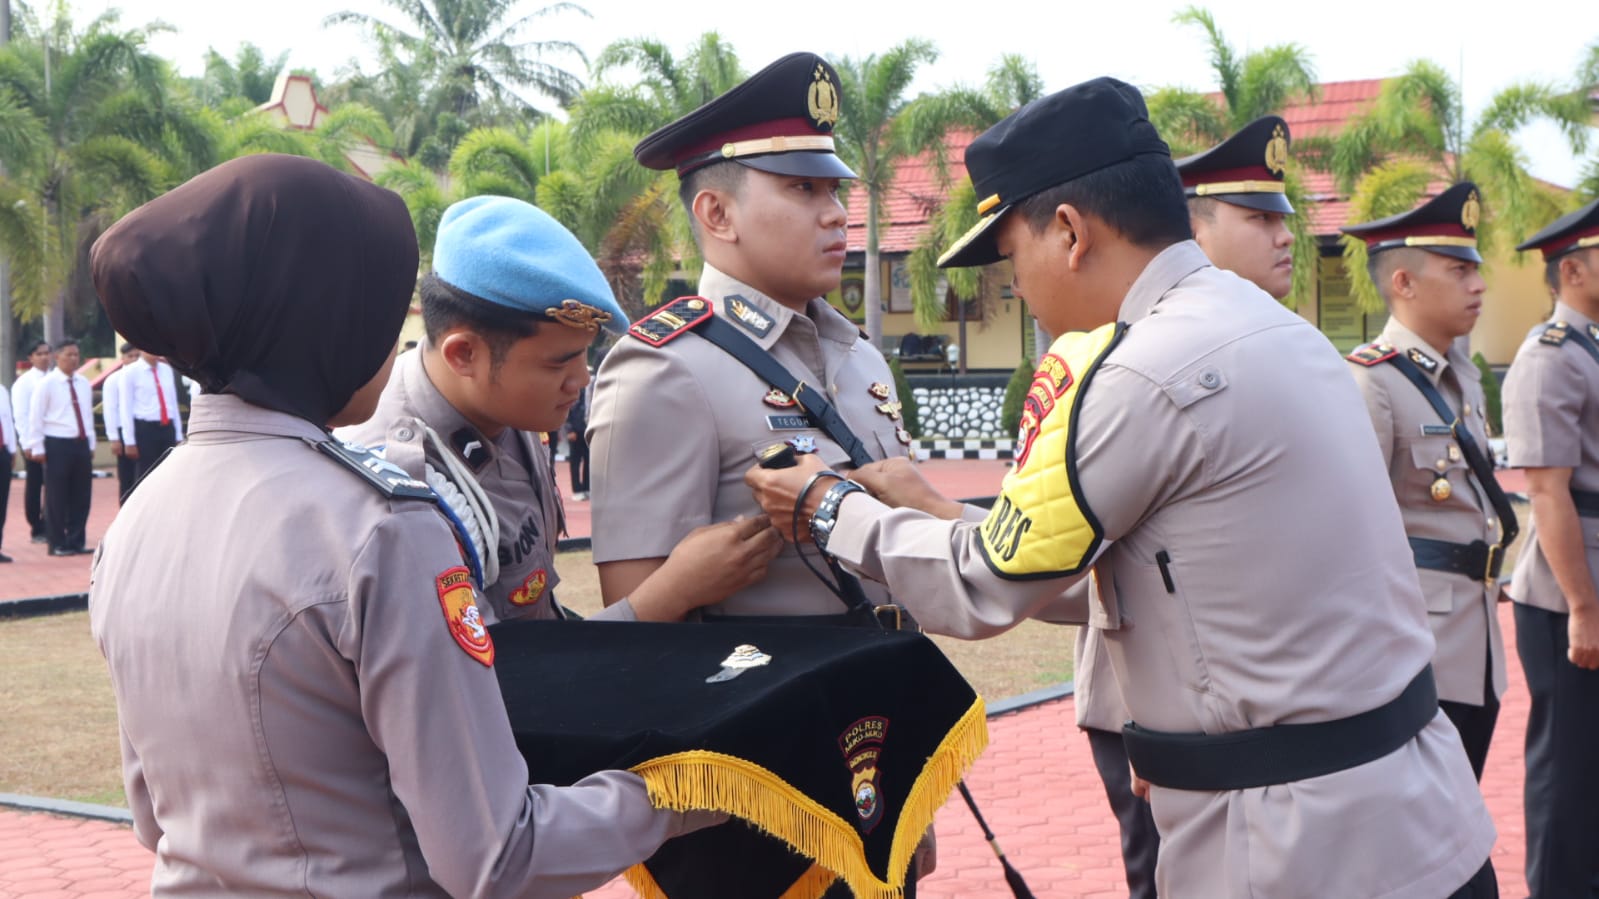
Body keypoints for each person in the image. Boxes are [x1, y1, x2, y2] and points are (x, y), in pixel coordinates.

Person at [746, 77, 1497, 898]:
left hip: (1293, 847)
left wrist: (827, 507)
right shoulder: (1278, 331)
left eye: (1009, 256)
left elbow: (981, 587)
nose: (1016, 288)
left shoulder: (1139, 369)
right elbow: (1167, 571)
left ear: (1067, 231)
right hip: (1419, 819)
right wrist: (937, 509)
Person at [86, 154, 721, 897]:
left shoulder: (138, 518)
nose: (395, 346)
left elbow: (153, 819)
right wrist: (699, 788)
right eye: (381, 318)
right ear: (327, 327)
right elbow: (494, 855)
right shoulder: (381, 527)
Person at [339, 194, 781, 625]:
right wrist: (672, 592)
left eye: (583, 356)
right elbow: (490, 683)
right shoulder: (401, 486)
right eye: (558, 363)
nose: (582, 379)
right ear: (464, 355)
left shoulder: (509, 408)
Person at [1065, 114, 1303, 899]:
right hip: (1156, 695)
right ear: (1190, 229)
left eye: (1283, 218)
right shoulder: (1121, 362)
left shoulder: (1281, 345)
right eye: (1257, 218)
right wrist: (1143, 718)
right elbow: (1093, 562)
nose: (1282, 236)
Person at [590, 51, 914, 623]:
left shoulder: (861, 358)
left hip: (888, 695)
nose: (837, 214)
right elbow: (633, 620)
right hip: (768, 703)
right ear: (717, 214)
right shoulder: (664, 368)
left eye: (835, 191)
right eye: (803, 189)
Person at [1340, 183, 1510, 781]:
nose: (1479, 284)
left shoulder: (1460, 374)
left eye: (1477, 269)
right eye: (1459, 270)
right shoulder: (1372, 382)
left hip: (1475, 641)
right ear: (1403, 283)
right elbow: (1348, 536)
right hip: (1415, 651)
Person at [1500, 194, 1599, 897]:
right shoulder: (1549, 357)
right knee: (1568, 772)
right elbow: (1547, 491)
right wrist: (1582, 607)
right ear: (1574, 272)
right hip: (1569, 593)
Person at [26, 338, 95, 557]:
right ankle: (56, 543)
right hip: (57, 443)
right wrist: (36, 446)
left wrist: (91, 442)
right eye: (69, 355)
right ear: (58, 357)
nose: (74, 359)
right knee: (57, 496)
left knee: (82, 494)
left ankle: (76, 540)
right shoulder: (47, 384)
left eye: (76, 355)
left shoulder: (83, 383)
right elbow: (36, 417)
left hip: (80, 442)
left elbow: (87, 415)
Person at [119, 349, 185, 481]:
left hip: (167, 426)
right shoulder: (130, 372)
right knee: (146, 473)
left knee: (170, 471)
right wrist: (129, 441)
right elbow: (126, 407)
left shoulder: (166, 370)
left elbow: (172, 403)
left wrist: (178, 434)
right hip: (145, 429)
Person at [11, 339, 51, 543]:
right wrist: (27, 443)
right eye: (39, 354)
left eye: (47, 353)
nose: (44, 357)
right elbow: (21, 415)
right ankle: (36, 526)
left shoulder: (55, 378)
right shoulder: (24, 384)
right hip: (34, 441)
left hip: (54, 440)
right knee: (35, 484)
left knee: (54, 484)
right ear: (31, 358)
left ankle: (51, 522)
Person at [102, 343, 139, 503]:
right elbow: (110, 410)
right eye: (130, 356)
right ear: (122, 359)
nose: (134, 360)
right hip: (122, 431)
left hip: (141, 428)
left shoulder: (145, 376)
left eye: (137, 356)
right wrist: (114, 438)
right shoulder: (114, 380)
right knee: (127, 476)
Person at [565, 368, 592, 500]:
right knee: (575, 461)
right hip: (575, 429)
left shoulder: (591, 388)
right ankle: (577, 490)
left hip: (588, 429)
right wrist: (569, 429)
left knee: (589, 460)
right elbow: (568, 409)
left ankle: (587, 488)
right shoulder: (575, 389)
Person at [0, 377, 14, 563]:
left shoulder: (2, 389)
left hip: (2, 451)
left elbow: (7, 420)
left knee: (1, 502)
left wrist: (11, 449)